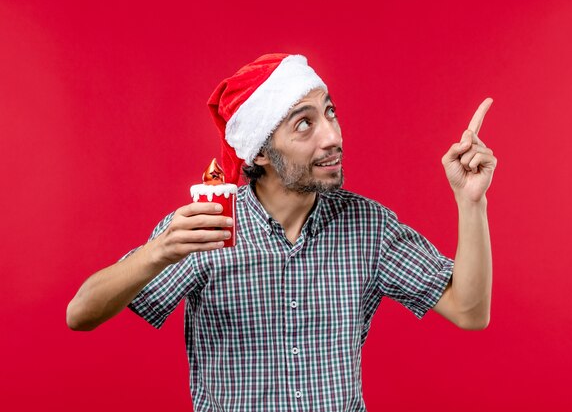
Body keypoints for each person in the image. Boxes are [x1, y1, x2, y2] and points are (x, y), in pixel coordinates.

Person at [67, 53, 497, 411]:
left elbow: (469, 311)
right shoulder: (204, 229)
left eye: (330, 112)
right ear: (262, 152)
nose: (333, 136)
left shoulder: (369, 227)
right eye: (304, 124)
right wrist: (157, 252)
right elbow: (80, 314)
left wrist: (470, 201)